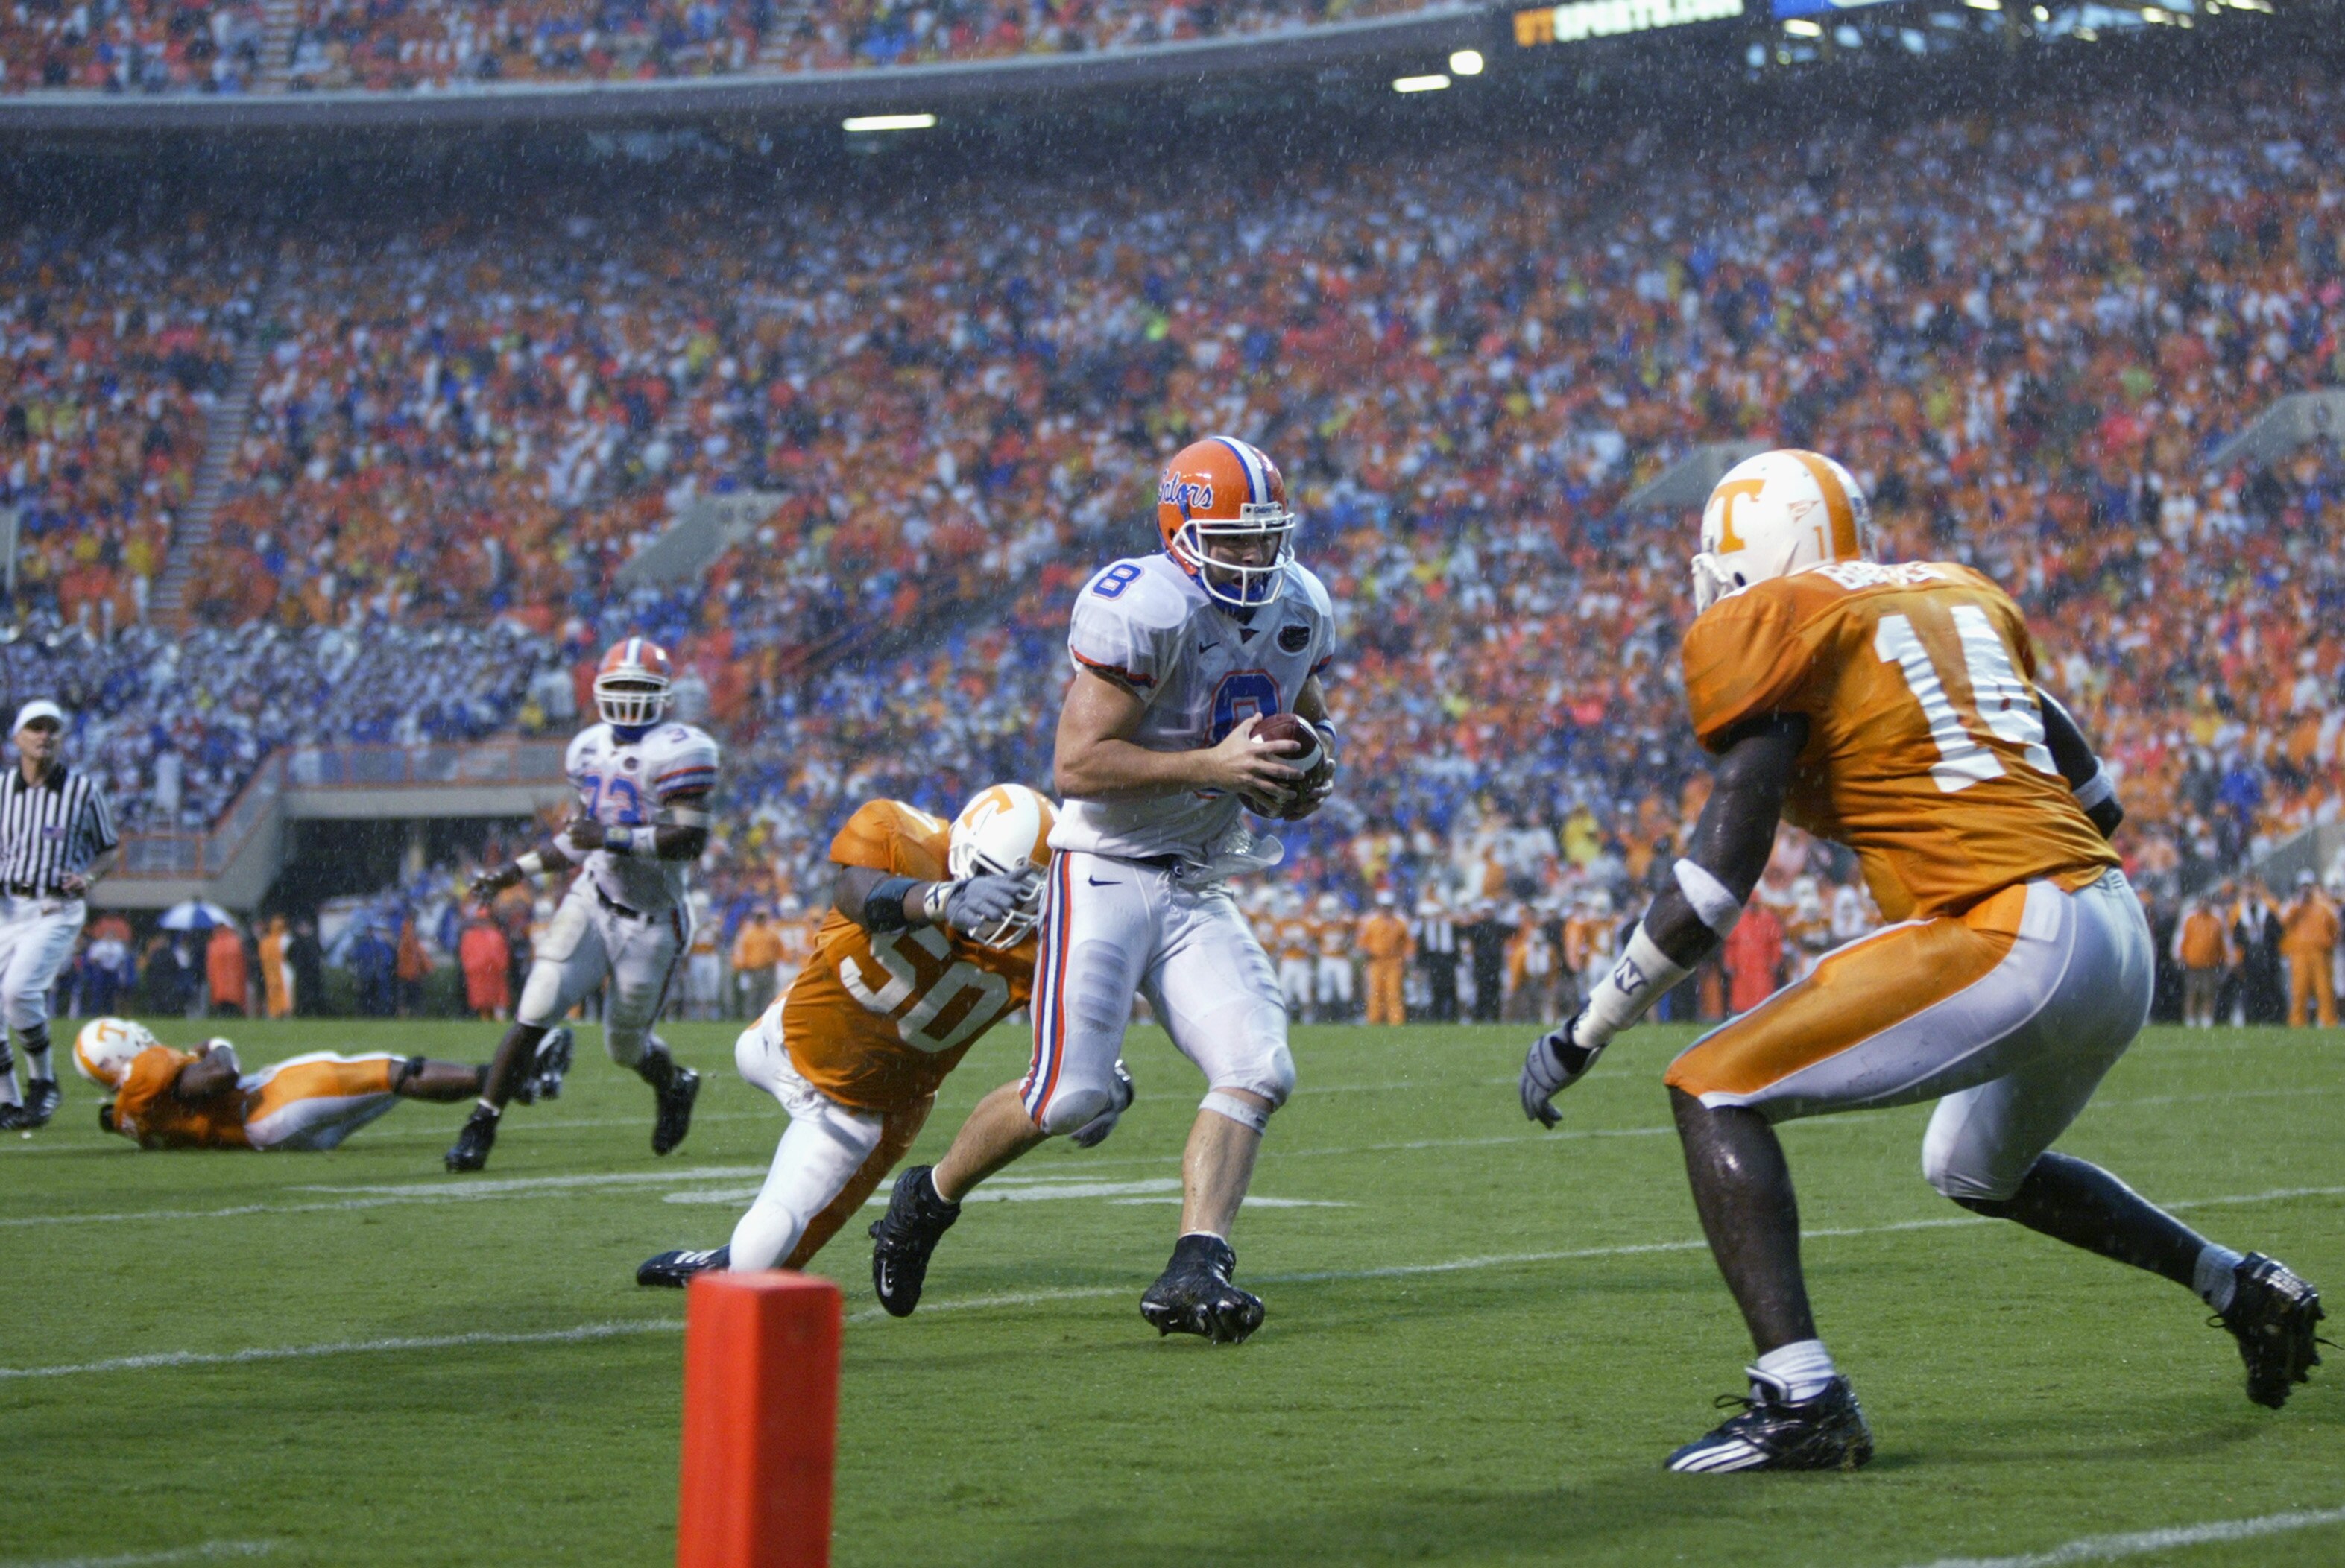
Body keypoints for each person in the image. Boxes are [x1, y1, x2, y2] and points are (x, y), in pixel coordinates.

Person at [1517, 449, 2323, 1472]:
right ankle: (2234, 1286)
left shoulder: (1776, 623)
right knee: (1971, 1168)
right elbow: (2102, 800)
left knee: (1709, 1084)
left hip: (2014, 926)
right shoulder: (1954, 596)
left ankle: (1800, 1398)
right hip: (2112, 924)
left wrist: (1586, 1028)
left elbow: (1715, 885)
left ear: (1747, 560)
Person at [868, 434, 1335, 1344]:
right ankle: (924, 1199)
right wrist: (1217, 763)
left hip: (1199, 877)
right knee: (1068, 1098)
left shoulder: (1300, 603)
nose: (1254, 556)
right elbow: (1076, 764)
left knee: (1258, 1068)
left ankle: (1196, 1265)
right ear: (1181, 531)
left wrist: (1309, 768)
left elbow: (1307, 727)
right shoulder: (1143, 604)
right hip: (1107, 871)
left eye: (1264, 536)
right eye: (1232, 540)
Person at [637, 786, 1083, 1286]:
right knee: (765, 1252)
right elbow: (855, 893)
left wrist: (1090, 1086)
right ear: (961, 849)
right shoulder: (900, 836)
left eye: (1022, 896)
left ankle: (724, 1262)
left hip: (859, 1104)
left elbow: (1071, 1030)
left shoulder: (1048, 937)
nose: (1003, 913)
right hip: (792, 1047)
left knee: (767, 1263)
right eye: (992, 886)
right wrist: (944, 898)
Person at [448, 639, 720, 1172]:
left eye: (640, 689)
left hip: (653, 921)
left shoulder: (685, 748)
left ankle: (674, 1083)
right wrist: (515, 870)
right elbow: (580, 836)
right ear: (599, 692)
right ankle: (480, 1125)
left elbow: (687, 840)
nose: (629, 699)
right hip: (593, 899)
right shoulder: (587, 747)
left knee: (624, 1047)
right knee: (536, 1007)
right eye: (619, 687)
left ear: (663, 696)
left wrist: (610, 837)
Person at [71, 1016, 543, 1152]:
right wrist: (218, 1041)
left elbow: (115, 1120)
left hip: (267, 1135)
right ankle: (512, 1076)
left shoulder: (125, 1115)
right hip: (269, 1102)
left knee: (394, 1080)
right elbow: (222, 1074)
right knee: (396, 1071)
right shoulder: (146, 1072)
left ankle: (519, 1085)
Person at [0, 699, 121, 1132]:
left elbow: (109, 847)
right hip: (8, 906)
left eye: (52, 728)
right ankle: (9, 1102)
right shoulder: (2, 789)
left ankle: (44, 1081)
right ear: (17, 737)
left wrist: (88, 879)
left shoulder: (80, 790)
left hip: (55, 906)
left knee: (17, 993)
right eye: (35, 727)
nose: (44, 735)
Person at [2279, 869, 2338, 1028]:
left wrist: (2328, 944)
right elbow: (2283, 921)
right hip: (2299, 953)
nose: (2305, 890)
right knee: (2299, 990)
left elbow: (2335, 927)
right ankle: (2297, 1021)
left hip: (2320, 953)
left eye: (2308, 886)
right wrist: (2297, 905)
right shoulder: (2293, 905)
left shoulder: (2324, 905)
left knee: (2324, 990)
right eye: (2303, 886)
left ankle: (2327, 1020)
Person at [2174, 895, 2229, 1027]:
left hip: (2210, 963)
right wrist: (2178, 955)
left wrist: (2227, 958)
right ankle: (2190, 1019)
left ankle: (2206, 1019)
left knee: (2208, 992)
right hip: (2192, 962)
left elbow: (2224, 940)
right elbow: (2180, 937)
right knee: (2192, 992)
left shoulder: (2216, 919)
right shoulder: (2189, 918)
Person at [1359, 891, 1412, 1025]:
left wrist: (1407, 958)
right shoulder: (1371, 922)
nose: (1386, 909)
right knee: (1376, 992)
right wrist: (1366, 952)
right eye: (1384, 906)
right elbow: (1362, 941)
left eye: (1389, 906)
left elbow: (1408, 943)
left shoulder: (1400, 922)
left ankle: (1396, 1021)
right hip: (1376, 961)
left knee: (1394, 992)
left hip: (1394, 962)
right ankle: (1374, 1020)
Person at [730, 905, 782, 1020]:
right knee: (752, 996)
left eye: (763, 916)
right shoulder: (748, 933)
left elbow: (780, 949)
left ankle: (766, 1020)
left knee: (767, 997)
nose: (760, 919)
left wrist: (776, 962)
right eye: (758, 916)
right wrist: (741, 966)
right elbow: (740, 950)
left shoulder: (772, 932)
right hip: (752, 970)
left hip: (768, 969)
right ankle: (750, 1019)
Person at [458, 913, 511, 1020]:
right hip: (481, 973)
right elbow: (466, 955)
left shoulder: (493, 935)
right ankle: (487, 1019)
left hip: (491, 973)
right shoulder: (473, 936)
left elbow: (502, 954)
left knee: (495, 999)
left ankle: (496, 1019)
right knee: (484, 1000)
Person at [1312, 892, 1354, 1023]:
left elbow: (1353, 933)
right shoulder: (1320, 925)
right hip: (1327, 959)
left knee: (1345, 988)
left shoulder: (1345, 923)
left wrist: (1348, 943)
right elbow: (1314, 941)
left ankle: (1345, 1017)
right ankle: (1326, 1018)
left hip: (1341, 959)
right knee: (1325, 990)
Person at [1415, 896, 1459, 1022]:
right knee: (1436, 989)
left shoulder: (1451, 926)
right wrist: (1421, 964)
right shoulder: (1426, 927)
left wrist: (1457, 960)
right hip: (1434, 959)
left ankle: (1452, 1016)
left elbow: (1456, 944)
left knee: (1451, 989)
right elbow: (1422, 947)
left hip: (1448, 959)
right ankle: (1437, 1016)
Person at [206, 921, 249, 1018]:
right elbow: (242, 963)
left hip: (219, 985)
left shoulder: (213, 944)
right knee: (233, 1008)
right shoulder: (236, 942)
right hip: (234, 984)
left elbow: (210, 967)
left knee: (222, 1008)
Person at [259, 916, 295, 1019]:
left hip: (270, 970)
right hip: (283, 969)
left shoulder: (265, 941)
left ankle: (275, 1012)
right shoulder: (285, 939)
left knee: (273, 992)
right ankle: (285, 1013)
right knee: (287, 992)